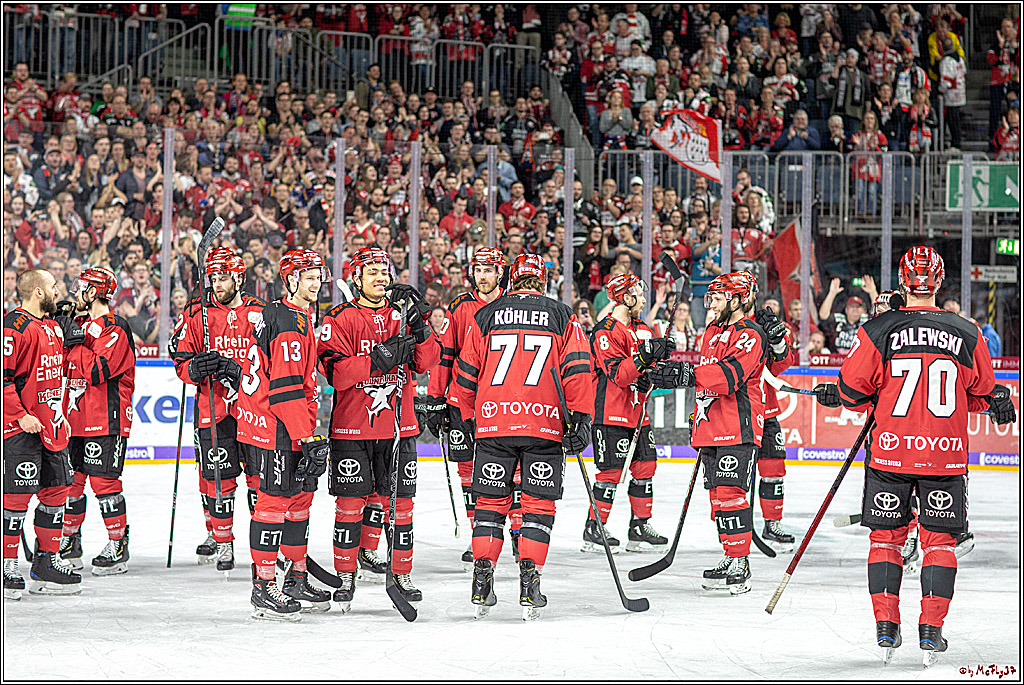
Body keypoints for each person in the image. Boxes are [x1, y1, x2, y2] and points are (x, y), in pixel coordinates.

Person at [836, 246, 1015, 662]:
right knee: (940, 544)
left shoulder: (880, 328)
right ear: (938, 283)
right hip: (944, 455)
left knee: (885, 540)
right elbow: (979, 395)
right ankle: (931, 632)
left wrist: (866, 394)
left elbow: (851, 391)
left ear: (903, 283)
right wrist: (998, 400)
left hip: (890, 454)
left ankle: (885, 627)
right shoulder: (968, 331)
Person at [451, 253, 594, 620]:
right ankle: (530, 581)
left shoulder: (486, 315)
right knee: (537, 507)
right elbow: (578, 370)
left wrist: (466, 415)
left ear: (511, 279)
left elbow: (466, 372)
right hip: (543, 426)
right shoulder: (562, 315)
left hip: (493, 425)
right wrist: (581, 418)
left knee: (489, 506)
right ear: (543, 280)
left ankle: (482, 577)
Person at [317, 247, 441, 611]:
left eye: (384, 270)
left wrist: (419, 322)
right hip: (352, 428)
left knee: (400, 505)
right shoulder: (338, 318)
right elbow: (336, 375)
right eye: (370, 271)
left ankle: (402, 572)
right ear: (356, 278)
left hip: (399, 427)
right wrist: (379, 358)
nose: (380, 276)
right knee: (351, 505)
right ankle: (345, 575)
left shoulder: (401, 315)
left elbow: (428, 361)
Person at [242, 249, 331, 621]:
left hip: (286, 422)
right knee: (274, 503)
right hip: (277, 425)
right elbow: (285, 387)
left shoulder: (292, 315)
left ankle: (294, 578)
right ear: (290, 280)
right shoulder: (288, 321)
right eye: (308, 277)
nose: (316, 283)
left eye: (318, 276)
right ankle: (263, 587)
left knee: (300, 502)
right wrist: (305, 436)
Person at [170, 248, 263, 572]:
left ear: (239, 277)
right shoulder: (197, 312)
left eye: (224, 277)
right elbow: (180, 360)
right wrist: (195, 368)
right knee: (217, 479)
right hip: (213, 409)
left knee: (258, 479)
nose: (217, 283)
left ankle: (260, 539)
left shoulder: (261, 313)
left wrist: (238, 370)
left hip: (253, 409)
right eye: (213, 277)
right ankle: (223, 541)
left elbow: (271, 363)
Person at [423, 247, 509, 567]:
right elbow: (445, 354)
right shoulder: (460, 305)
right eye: (478, 269)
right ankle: (478, 535)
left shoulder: (513, 305)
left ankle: (511, 530)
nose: (483, 276)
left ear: (500, 273)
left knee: (506, 468)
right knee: (467, 471)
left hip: (503, 401)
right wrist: (435, 399)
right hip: (464, 400)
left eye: (489, 270)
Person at [685, 271, 768, 595]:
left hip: (737, 424)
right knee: (718, 499)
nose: (713, 303)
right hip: (709, 425)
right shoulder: (710, 332)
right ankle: (729, 553)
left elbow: (730, 376)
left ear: (738, 300)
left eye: (719, 298)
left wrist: (688, 374)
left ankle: (741, 561)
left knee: (732, 494)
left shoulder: (750, 333)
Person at [4, 269, 81, 598]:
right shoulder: (13, 325)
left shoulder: (51, 326)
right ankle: (7, 564)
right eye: (52, 287)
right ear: (37, 292)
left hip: (53, 423)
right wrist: (20, 416)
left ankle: (45, 561)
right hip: (21, 427)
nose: (57, 291)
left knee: (58, 488)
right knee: (17, 495)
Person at [584, 272, 671, 554]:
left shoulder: (641, 328)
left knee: (646, 466)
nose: (644, 299)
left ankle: (639, 526)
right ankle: (594, 528)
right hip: (610, 411)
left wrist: (659, 361)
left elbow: (646, 367)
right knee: (611, 471)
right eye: (639, 294)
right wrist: (644, 359)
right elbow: (618, 374)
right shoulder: (604, 330)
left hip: (638, 411)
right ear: (624, 297)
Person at [58, 266, 136, 576]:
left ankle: (118, 544)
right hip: (73, 418)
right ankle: (70, 541)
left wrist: (74, 341)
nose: (75, 292)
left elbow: (96, 371)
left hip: (106, 418)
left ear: (94, 292)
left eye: (81, 288)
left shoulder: (115, 327)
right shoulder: (77, 324)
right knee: (72, 483)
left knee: (104, 482)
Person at [750, 304, 799, 551]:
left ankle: (772, 524)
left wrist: (777, 339)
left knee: (774, 467)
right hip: (738, 413)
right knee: (732, 476)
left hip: (767, 411)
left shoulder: (765, 327)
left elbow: (782, 364)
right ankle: (731, 527)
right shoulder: (724, 326)